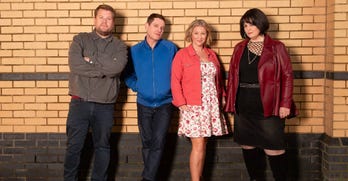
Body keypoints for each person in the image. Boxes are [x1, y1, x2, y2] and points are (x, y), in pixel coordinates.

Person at [224, 8, 295, 181]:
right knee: (248, 146)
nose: (248, 28)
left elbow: (287, 75)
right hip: (244, 104)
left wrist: (285, 103)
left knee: (274, 148)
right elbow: (233, 76)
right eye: (245, 25)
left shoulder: (277, 47)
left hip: (269, 104)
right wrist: (230, 100)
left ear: (261, 23)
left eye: (252, 24)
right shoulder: (240, 47)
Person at [63, 4, 128, 181]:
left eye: (108, 18)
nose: (104, 21)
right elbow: (76, 65)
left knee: (102, 147)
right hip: (79, 103)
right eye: (101, 17)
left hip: (105, 106)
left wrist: (90, 61)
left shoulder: (120, 47)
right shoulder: (80, 40)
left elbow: (116, 68)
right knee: (74, 148)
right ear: (94, 19)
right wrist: (103, 68)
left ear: (113, 22)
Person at [171, 19, 228, 181]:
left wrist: (222, 97)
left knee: (203, 145)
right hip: (193, 105)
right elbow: (175, 80)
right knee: (198, 145)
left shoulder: (211, 54)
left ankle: (199, 177)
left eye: (203, 33)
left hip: (211, 104)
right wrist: (180, 102)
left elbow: (219, 78)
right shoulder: (182, 54)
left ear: (207, 35)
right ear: (191, 34)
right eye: (196, 33)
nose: (199, 36)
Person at [123, 13, 178, 181]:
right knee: (147, 143)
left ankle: (147, 178)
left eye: (162, 28)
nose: (159, 30)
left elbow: (179, 73)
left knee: (158, 142)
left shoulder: (170, 48)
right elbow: (127, 75)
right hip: (144, 103)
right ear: (147, 26)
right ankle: (152, 177)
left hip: (165, 104)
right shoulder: (134, 50)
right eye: (156, 26)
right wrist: (138, 86)